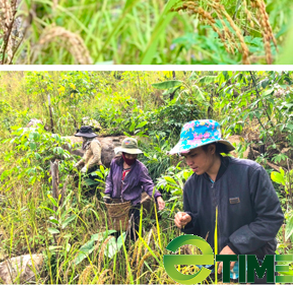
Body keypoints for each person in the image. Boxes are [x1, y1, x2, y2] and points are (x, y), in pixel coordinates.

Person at [172, 119, 283, 281]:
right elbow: (199, 232)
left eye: (194, 155)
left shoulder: (250, 173)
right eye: (185, 156)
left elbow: (271, 218)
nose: (189, 162)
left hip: (255, 266)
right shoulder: (191, 186)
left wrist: (235, 246)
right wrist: (188, 221)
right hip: (217, 270)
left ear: (211, 149)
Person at [103, 137, 165, 240]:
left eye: (133, 155)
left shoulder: (140, 168)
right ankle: (118, 253)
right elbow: (109, 178)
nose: (131, 157)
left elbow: (148, 185)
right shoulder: (115, 163)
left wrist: (157, 196)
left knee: (134, 232)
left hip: (133, 205)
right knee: (115, 231)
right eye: (128, 154)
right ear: (123, 153)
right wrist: (108, 192)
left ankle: (134, 252)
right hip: (117, 204)